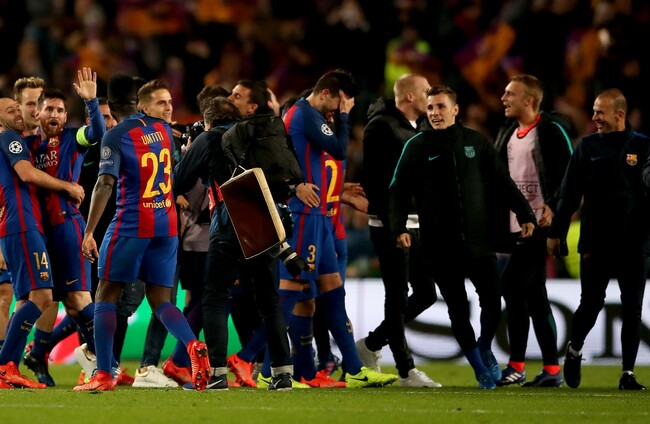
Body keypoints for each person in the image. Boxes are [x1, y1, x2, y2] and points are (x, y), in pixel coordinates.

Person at [388, 85, 536, 389]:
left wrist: (525, 214)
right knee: (457, 309)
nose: (434, 113)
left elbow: (502, 181)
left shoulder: (475, 142)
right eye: (430, 107)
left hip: (478, 240)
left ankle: (484, 346)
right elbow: (398, 191)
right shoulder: (417, 145)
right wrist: (398, 228)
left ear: (455, 109)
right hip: (439, 245)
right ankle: (479, 369)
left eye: (441, 106)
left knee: (492, 299)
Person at [76, 74, 211, 391]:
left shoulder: (116, 135)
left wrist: (90, 230)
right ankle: (192, 345)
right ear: (138, 101)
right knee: (161, 300)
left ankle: (103, 373)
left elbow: (105, 183)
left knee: (106, 294)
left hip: (132, 223)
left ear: (111, 104)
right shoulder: (162, 129)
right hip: (165, 225)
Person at [280, 69, 398, 388]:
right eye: (339, 103)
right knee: (291, 291)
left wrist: (339, 191)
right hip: (304, 214)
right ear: (327, 93)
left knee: (333, 292)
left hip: (320, 216)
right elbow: (340, 149)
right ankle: (267, 368)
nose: (337, 111)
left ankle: (355, 369)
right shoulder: (304, 113)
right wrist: (344, 118)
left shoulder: (310, 117)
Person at [174, 93, 297, 391]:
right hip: (265, 222)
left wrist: (189, 148)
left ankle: (217, 374)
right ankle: (282, 374)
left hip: (228, 223)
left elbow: (180, 181)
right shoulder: (255, 136)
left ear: (208, 120)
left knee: (216, 297)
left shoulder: (209, 138)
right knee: (268, 299)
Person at [550, 88, 650, 391]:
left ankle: (627, 373)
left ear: (619, 114)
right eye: (593, 111)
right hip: (596, 239)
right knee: (591, 303)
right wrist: (557, 232)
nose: (594, 117)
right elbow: (569, 194)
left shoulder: (642, 146)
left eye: (599, 112)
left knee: (633, 307)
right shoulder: (587, 146)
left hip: (634, 240)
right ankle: (575, 348)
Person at [356, 73, 441, 387]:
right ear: (408, 96)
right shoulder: (382, 127)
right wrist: (396, 226)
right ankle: (406, 370)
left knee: (426, 294)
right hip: (392, 225)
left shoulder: (418, 128)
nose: (430, 97)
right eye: (425, 91)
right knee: (397, 294)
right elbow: (375, 182)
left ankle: (371, 344)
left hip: (417, 223)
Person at [23, 70, 106, 388]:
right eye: (50, 109)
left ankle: (105, 364)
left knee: (80, 299)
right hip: (39, 233)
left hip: (67, 227)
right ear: (39, 113)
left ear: (65, 116)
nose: (55, 114)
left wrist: (91, 102)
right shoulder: (27, 146)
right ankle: (39, 356)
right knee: (59, 301)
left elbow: (96, 132)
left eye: (60, 110)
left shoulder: (73, 138)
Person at [493, 74, 573, 387]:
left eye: (510, 93)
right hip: (515, 225)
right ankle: (552, 369)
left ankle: (516, 364)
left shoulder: (551, 129)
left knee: (511, 285)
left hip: (540, 225)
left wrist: (554, 206)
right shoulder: (508, 133)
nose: (503, 98)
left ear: (529, 100)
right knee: (535, 296)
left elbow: (571, 173)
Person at [0, 97, 84, 389]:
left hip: (18, 225)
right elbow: (26, 173)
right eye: (10, 110)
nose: (18, 112)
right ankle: (5, 365)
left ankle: (9, 366)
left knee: (29, 298)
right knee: (42, 295)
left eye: (18, 108)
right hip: (23, 224)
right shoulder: (9, 137)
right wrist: (67, 186)